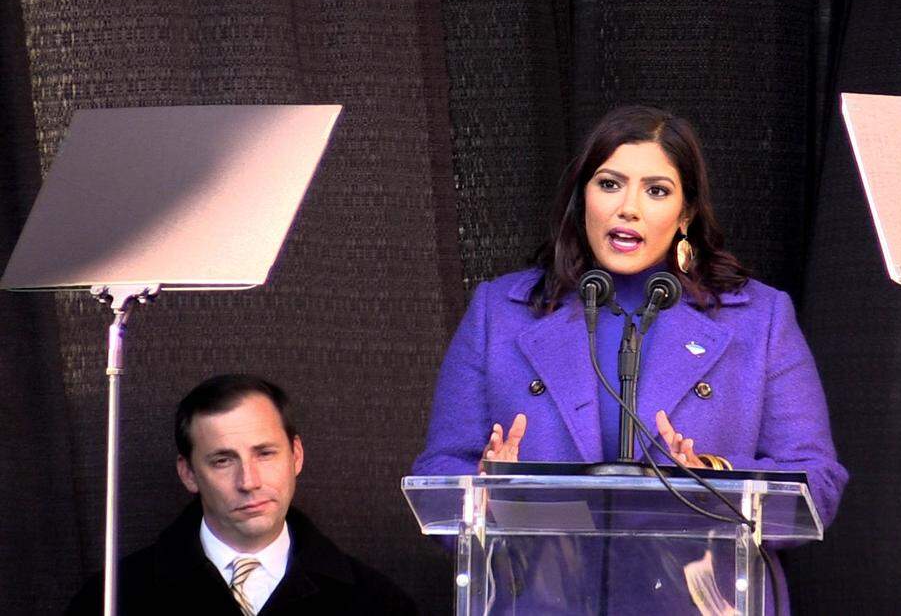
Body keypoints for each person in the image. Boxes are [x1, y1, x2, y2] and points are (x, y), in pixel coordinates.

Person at [412, 105, 848, 615]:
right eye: (610, 184)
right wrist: (492, 489)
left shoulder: (758, 319)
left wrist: (712, 475)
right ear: (582, 199)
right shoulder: (499, 313)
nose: (629, 208)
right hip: (540, 600)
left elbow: (817, 483)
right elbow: (441, 470)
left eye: (657, 190)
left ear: (686, 214)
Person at [68, 374, 417, 615]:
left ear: (296, 456)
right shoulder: (115, 599)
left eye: (265, 453)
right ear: (188, 472)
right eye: (223, 460)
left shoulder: (376, 602)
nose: (248, 481)